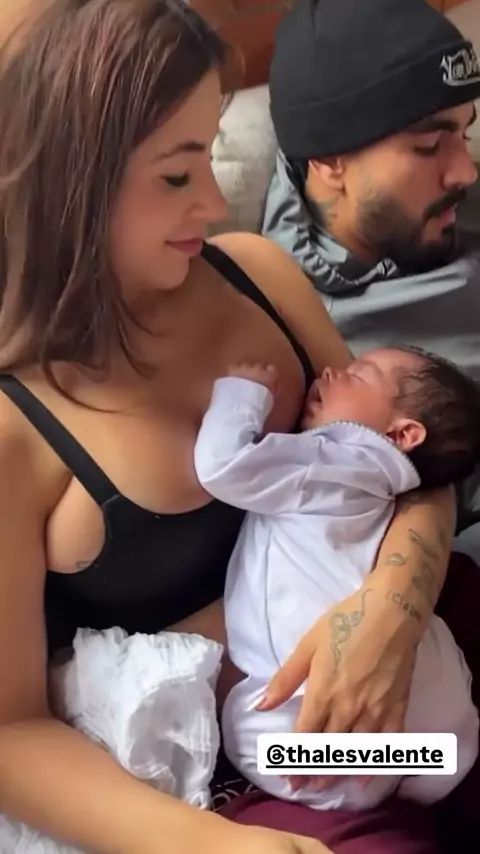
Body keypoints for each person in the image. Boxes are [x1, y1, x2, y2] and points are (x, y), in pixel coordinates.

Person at [0, 1, 458, 854]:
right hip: (255, 767)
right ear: (74, 184)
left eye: (210, 156)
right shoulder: (15, 428)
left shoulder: (256, 275)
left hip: (419, 659)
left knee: (445, 760)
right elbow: (11, 732)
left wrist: (392, 609)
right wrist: (217, 847)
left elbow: (412, 463)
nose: (214, 204)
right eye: (177, 175)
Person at [194, 347, 480, 810]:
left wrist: (242, 394)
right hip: (438, 710)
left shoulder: (330, 457)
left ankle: (377, 783)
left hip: (315, 709)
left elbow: (222, 466)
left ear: (402, 433)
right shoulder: (392, 488)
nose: (331, 371)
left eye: (358, 374)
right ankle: (429, 766)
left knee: (246, 732)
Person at [261, 0, 480, 526]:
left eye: (465, 134)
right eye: (430, 145)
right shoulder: (295, 326)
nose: (465, 172)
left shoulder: (452, 207)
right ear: (328, 159)